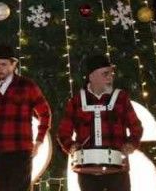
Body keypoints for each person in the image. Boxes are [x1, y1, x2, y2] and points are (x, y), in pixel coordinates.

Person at [55, 55, 142, 191]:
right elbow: (63, 131)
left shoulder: (121, 98)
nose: (110, 78)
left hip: (117, 169)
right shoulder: (76, 101)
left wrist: (131, 144)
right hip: (87, 171)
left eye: (111, 74)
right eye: (105, 74)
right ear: (91, 76)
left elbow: (136, 127)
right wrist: (71, 146)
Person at [0, 45, 51, 191]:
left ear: (13, 65)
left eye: (3, 64)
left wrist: (39, 141)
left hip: (20, 151)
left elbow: (45, 113)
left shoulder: (27, 86)